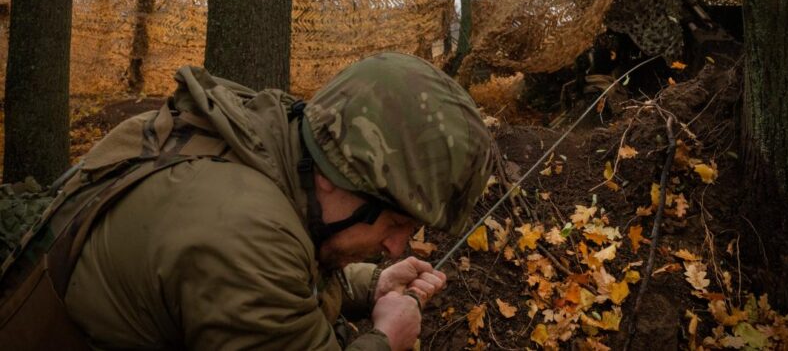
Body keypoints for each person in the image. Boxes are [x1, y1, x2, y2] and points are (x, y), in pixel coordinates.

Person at [0, 52, 493, 350]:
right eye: (394, 225)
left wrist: (371, 285)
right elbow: (257, 265)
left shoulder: (247, 140)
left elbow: (273, 273)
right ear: (335, 180)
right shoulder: (243, 232)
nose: (395, 247)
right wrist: (386, 339)